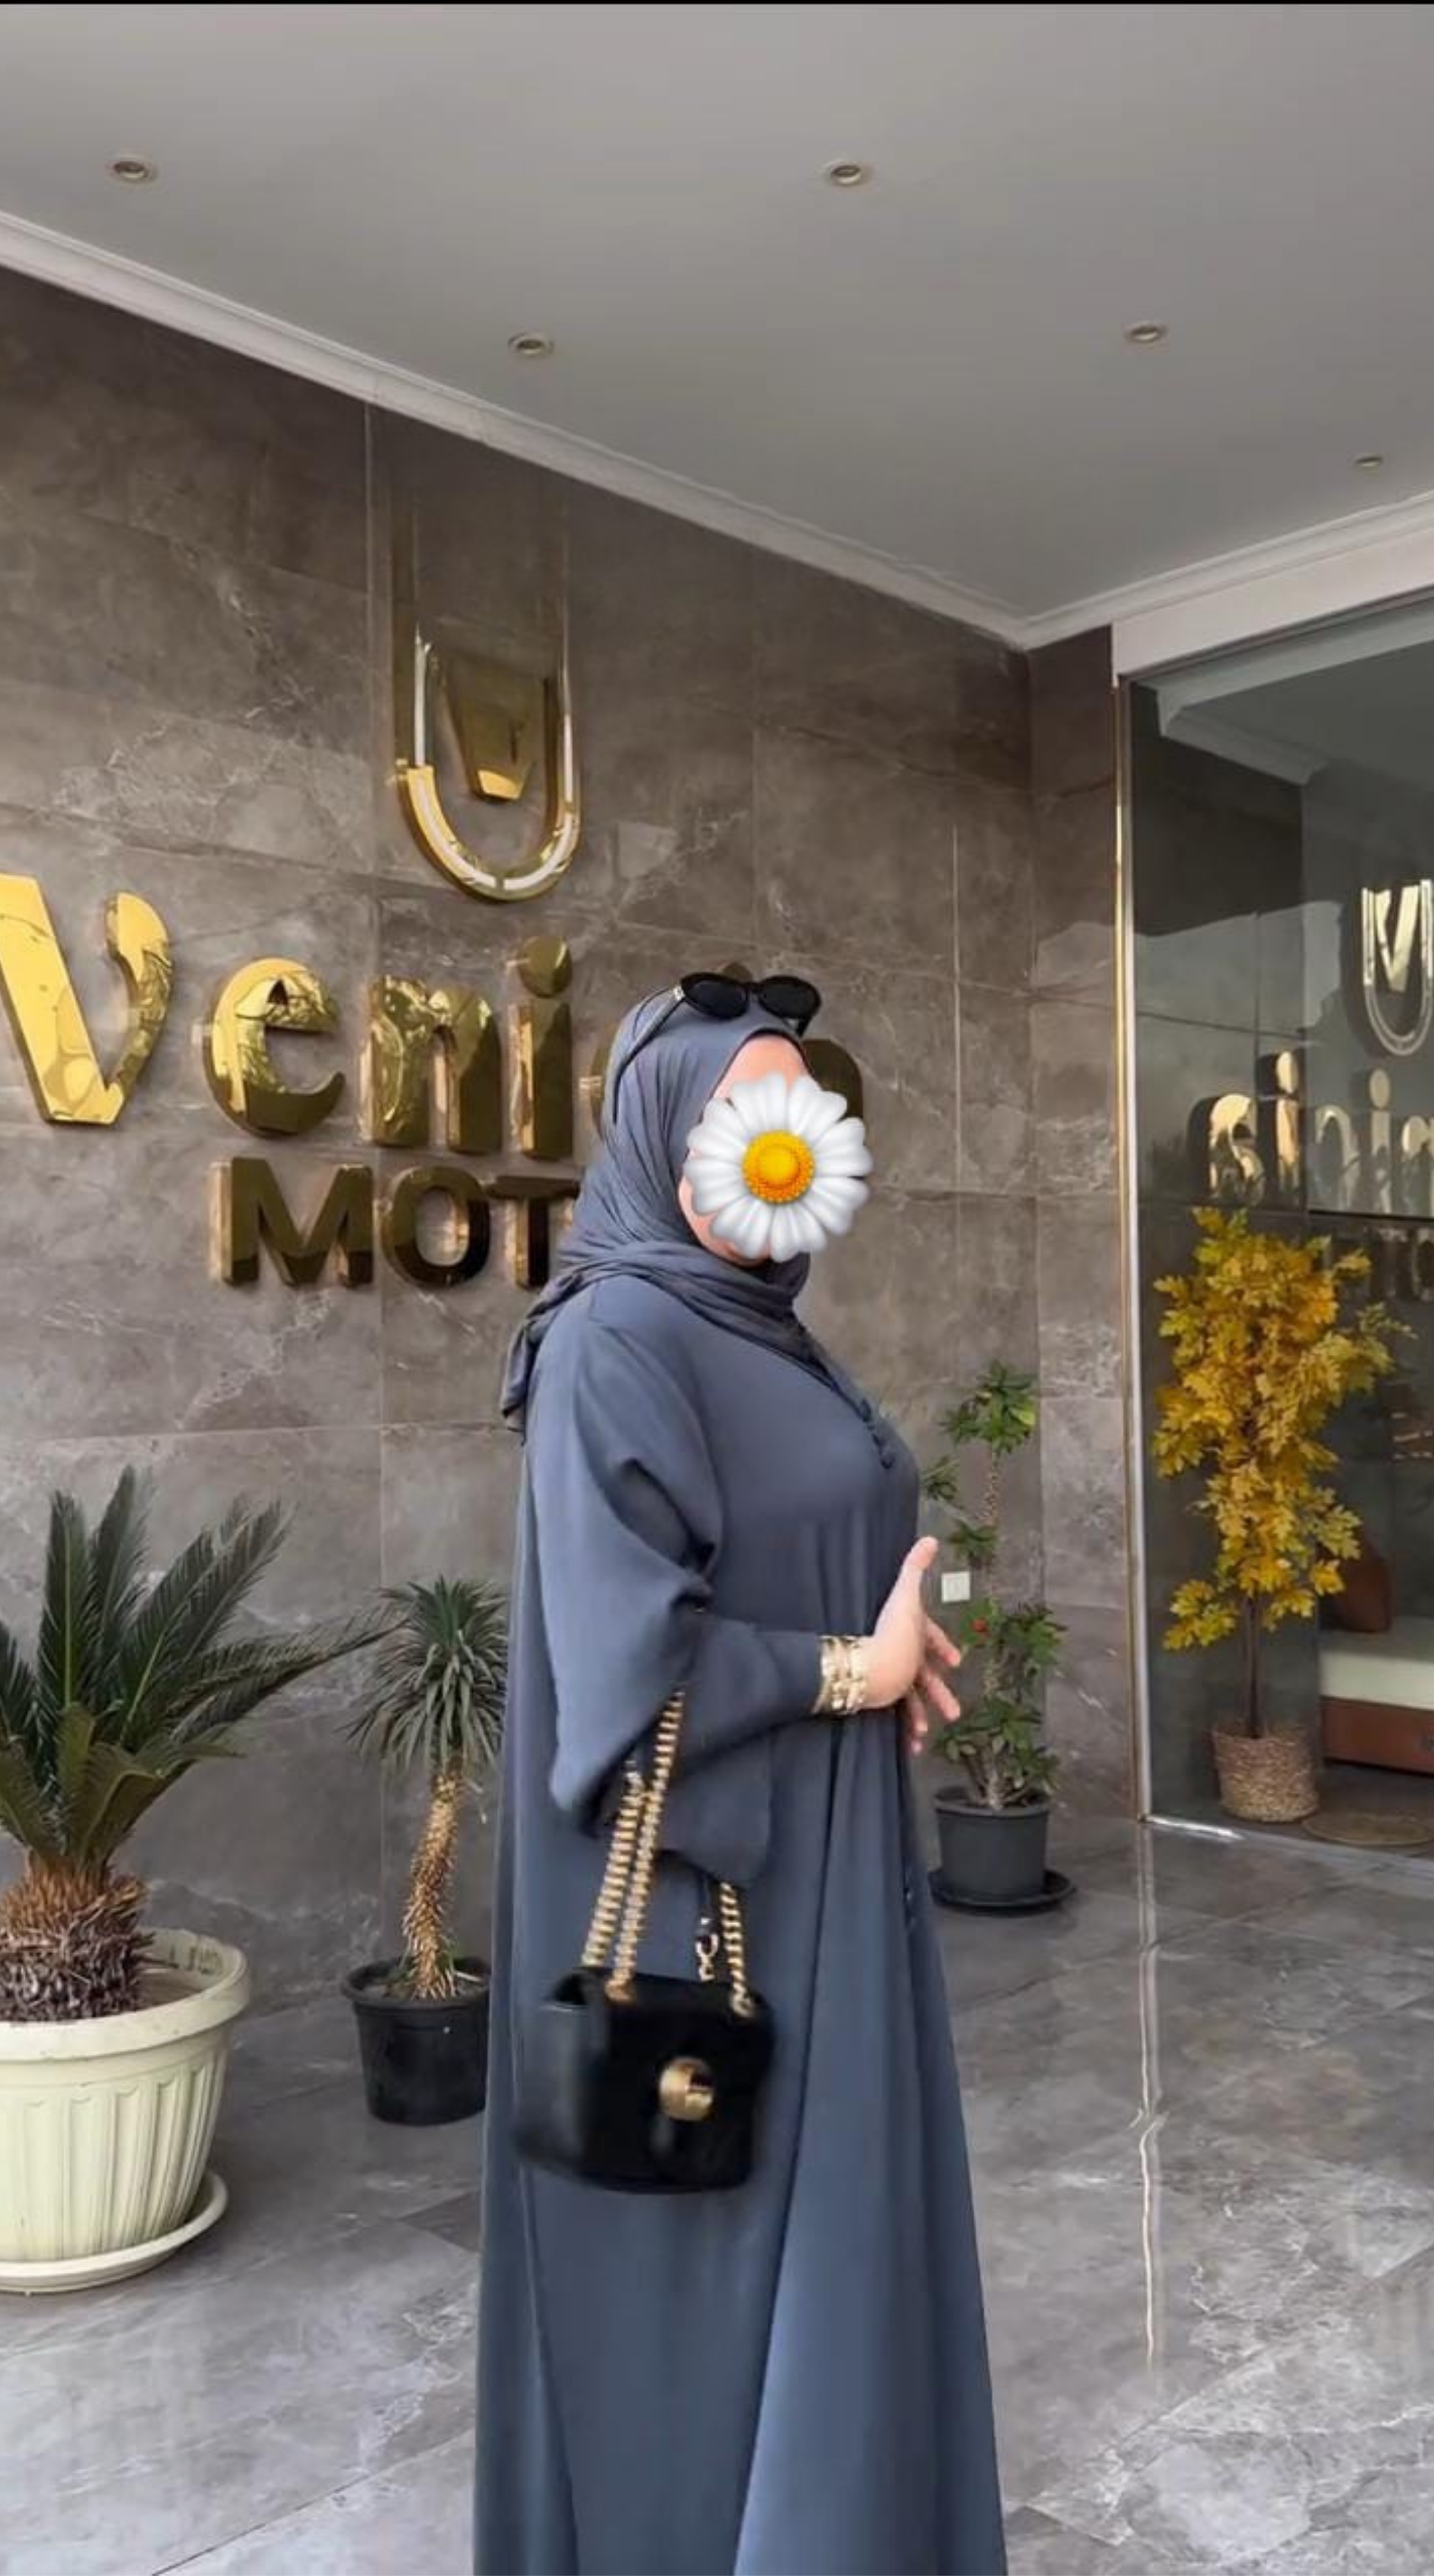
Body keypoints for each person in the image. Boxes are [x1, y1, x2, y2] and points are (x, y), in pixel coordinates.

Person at [477, 982, 1005, 2576]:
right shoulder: (613, 1339)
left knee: (831, 2226)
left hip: (824, 1845)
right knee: (736, 2260)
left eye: (796, 1108)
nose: (777, 1141)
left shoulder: (758, 1326)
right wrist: (852, 1668)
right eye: (736, 1111)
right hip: (708, 1892)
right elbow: (627, 1662)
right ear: (658, 1135)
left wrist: (887, 1650)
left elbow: (796, 1550)